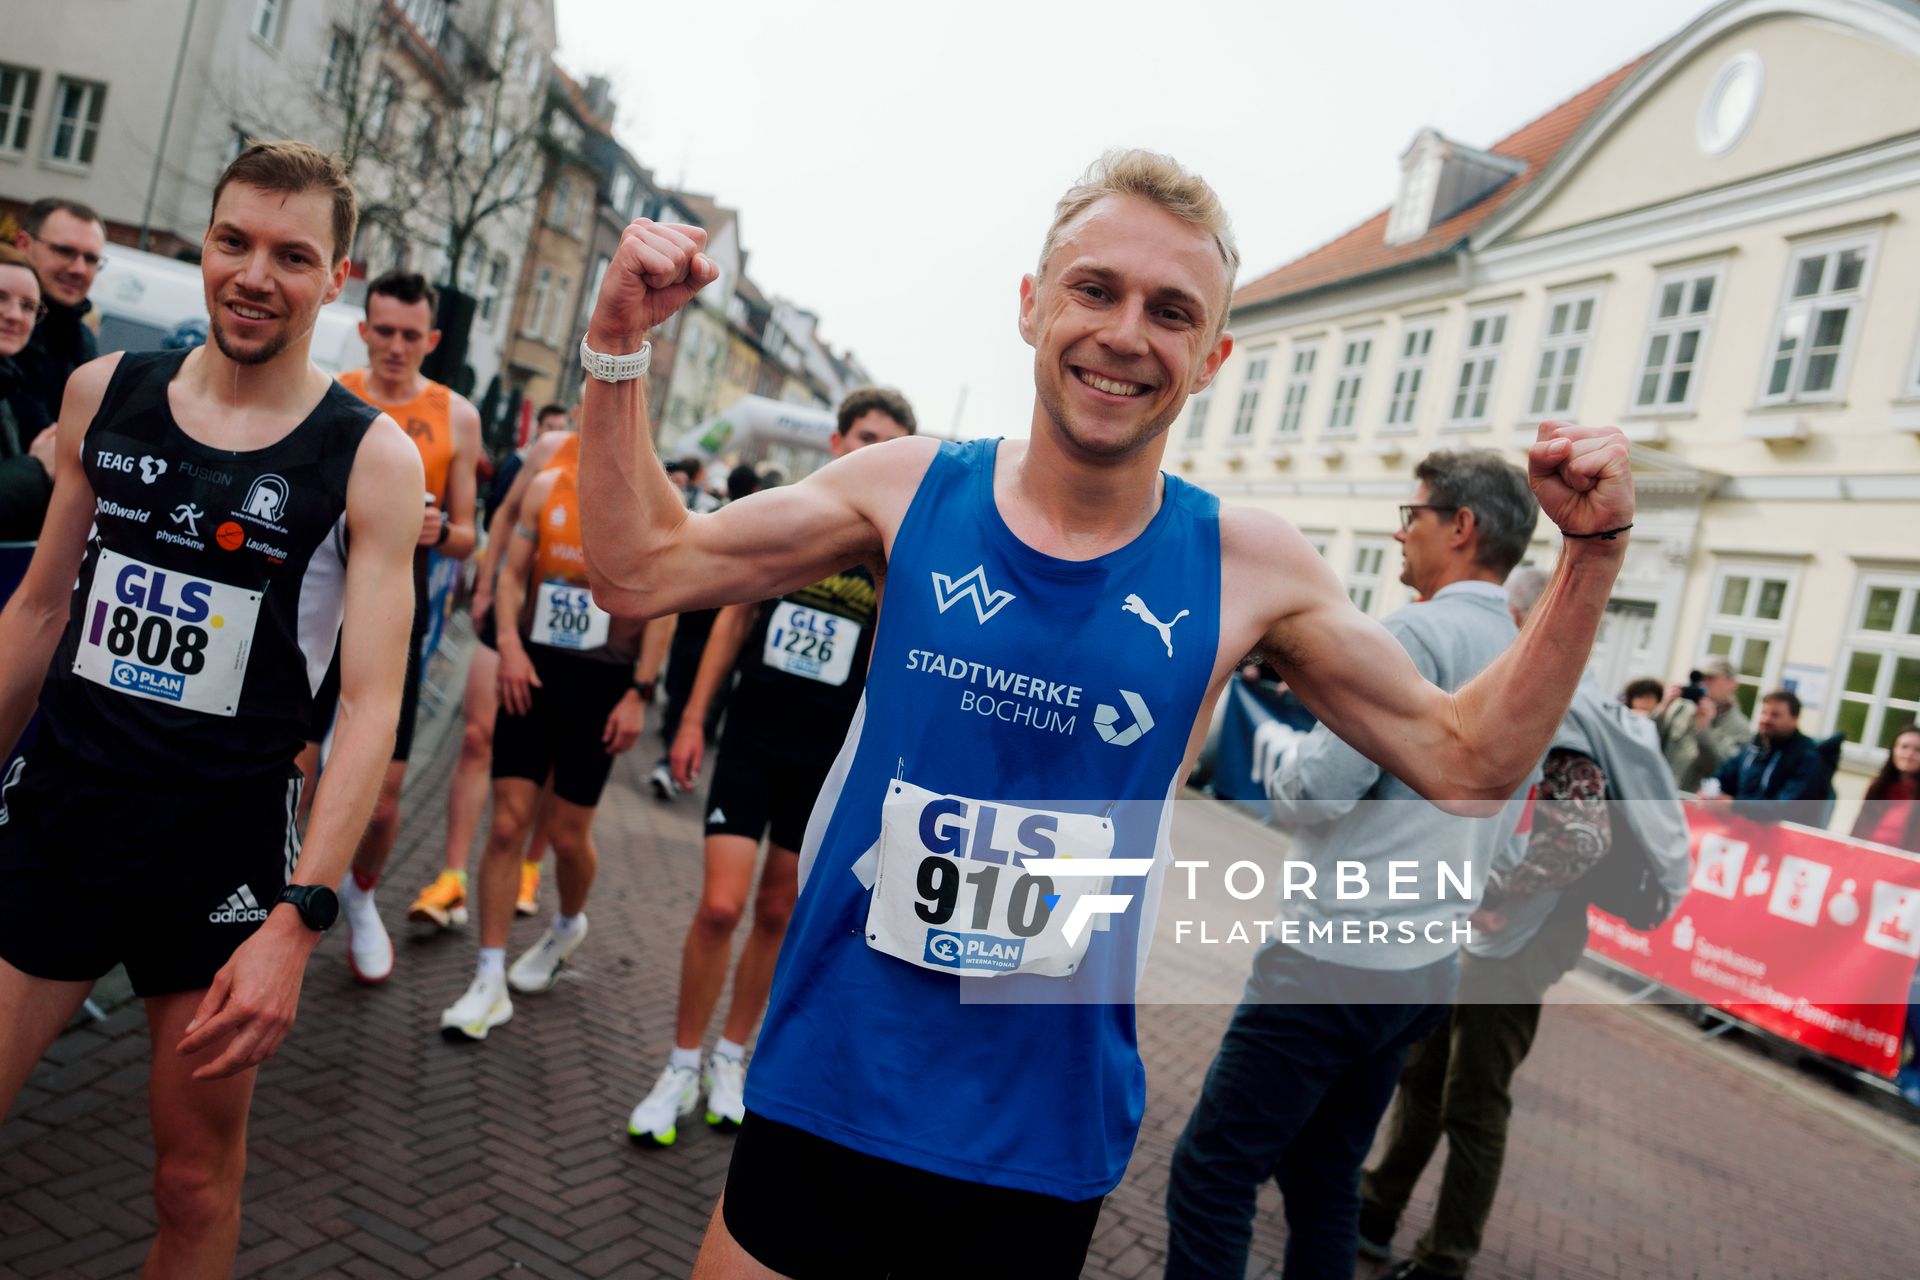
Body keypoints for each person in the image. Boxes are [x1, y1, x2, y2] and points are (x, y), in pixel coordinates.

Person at [573, 150, 1633, 1278]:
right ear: (1032, 304)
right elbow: (640, 568)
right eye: (1096, 289)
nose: (1128, 333)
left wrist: (1592, 556)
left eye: (1171, 311)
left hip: (1036, 1137)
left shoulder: (1244, 563)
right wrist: (619, 342)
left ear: (1212, 356)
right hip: (834, 1074)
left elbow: (1469, 761)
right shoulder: (909, 485)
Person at [0, 141, 422, 1275]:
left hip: (219, 848)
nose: (253, 273)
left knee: (191, 1180)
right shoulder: (107, 394)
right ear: (205, 241)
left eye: (292, 254)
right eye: (234, 240)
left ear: (335, 275)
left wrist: (301, 917)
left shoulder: (371, 457)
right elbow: (40, 613)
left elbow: (372, 708)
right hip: (62, 816)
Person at [1165, 450, 1542, 1278]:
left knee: (1213, 1172)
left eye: (1412, 516)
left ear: (1461, 527)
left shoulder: (1409, 632)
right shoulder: (1526, 658)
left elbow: (1315, 795)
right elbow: (1515, 836)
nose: (1399, 532)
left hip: (1332, 958)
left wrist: (1281, 753)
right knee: (1325, 1177)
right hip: (1423, 969)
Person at [1355, 567, 1690, 1280]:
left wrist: (1492, 887)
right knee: (1425, 1072)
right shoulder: (1566, 694)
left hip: (1523, 931)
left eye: (1506, 616)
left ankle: (1445, 1257)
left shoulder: (1562, 703)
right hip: (1509, 927)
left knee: (1472, 1099)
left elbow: (1580, 837)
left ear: (1526, 619)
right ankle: (1374, 1210)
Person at [625, 386, 916, 1145]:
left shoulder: (897, 548)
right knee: (721, 904)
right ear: (837, 441)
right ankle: (680, 1062)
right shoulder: (794, 519)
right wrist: (692, 719)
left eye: (887, 443)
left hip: (825, 760)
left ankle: (732, 1055)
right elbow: (732, 621)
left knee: (778, 912)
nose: (868, 452)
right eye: (861, 437)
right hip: (752, 737)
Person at [437, 452, 672, 1039]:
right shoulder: (547, 487)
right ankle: (488, 978)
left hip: (603, 686)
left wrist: (640, 692)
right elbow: (515, 573)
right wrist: (509, 646)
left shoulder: (654, 497)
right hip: (534, 673)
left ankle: (568, 925)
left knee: (567, 836)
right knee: (508, 825)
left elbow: (664, 603)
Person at [305, 270, 482, 983]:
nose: (396, 346)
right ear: (362, 328)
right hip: (316, 610)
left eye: (412, 335)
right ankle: (277, 904)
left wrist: (442, 530)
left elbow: (473, 534)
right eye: (384, 331)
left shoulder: (457, 416)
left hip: (394, 621)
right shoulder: (330, 393)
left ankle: (363, 894)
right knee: (294, 779)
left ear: (432, 340)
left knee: (381, 803)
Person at [408, 405, 576, 931]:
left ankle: (529, 865)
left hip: (576, 642)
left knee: (552, 761)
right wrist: (483, 588)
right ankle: (453, 876)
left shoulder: (645, 469)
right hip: (510, 615)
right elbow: (503, 518)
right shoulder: (550, 451)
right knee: (478, 737)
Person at [647, 462, 763, 801]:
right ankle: (677, 761)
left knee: (681, 695)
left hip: (693, 627)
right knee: (702, 700)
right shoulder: (755, 529)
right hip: (711, 635)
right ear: (754, 490)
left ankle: (672, 759)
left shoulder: (705, 516)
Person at [1851, 723, 1920, 1104]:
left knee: (1899, 980)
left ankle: (1895, 1056)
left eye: (1916, 749)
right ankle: (1851, 1044)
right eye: (1904, 746)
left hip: (1904, 900)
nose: (1908, 754)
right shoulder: (1879, 790)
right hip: (1869, 890)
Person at [10, 198, 106, 437]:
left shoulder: (82, 340)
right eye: (64, 251)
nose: (79, 269)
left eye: (91, 259)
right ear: (23, 244)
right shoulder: (9, 328)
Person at [1701, 688, 1834, 825]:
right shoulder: (1753, 747)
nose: (1766, 719)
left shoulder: (1808, 757)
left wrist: (1735, 805)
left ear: (1794, 719)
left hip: (1783, 840)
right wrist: (1709, 792)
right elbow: (1724, 775)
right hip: (1743, 832)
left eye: (1775, 715)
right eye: (1764, 713)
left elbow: (1786, 806)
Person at [0, 244, 57, 541]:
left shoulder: (9, 384)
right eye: (1, 298)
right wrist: (37, 468)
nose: (14, 315)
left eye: (27, 306)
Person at [1655, 657, 1749, 793]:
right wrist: (1663, 708)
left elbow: (1722, 769)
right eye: (1701, 677)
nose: (1704, 682)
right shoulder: (1682, 708)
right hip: (1661, 791)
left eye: (1711, 678)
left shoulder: (1739, 727)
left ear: (1732, 684)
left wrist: (1704, 730)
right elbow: (1650, 743)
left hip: (1693, 800)